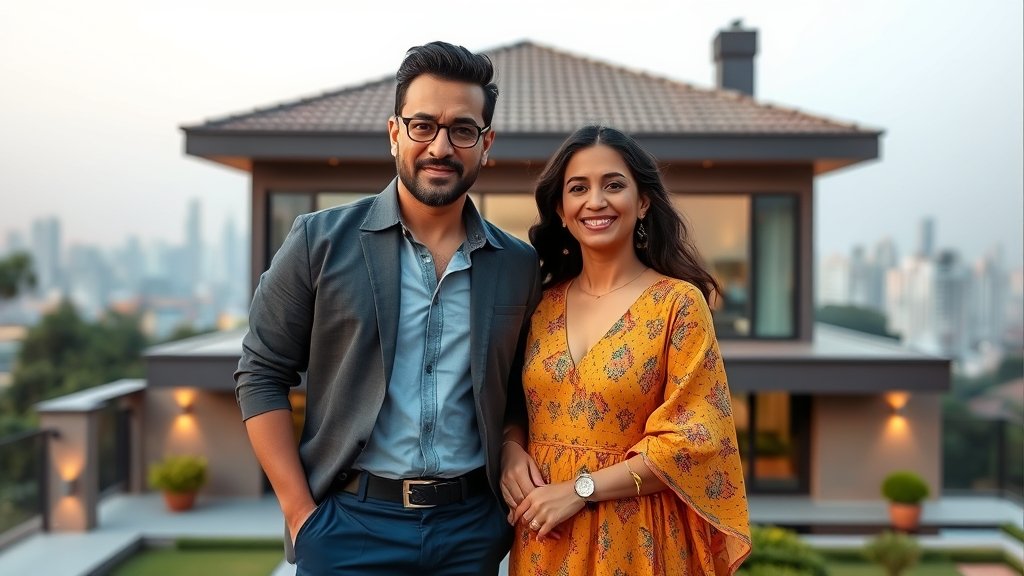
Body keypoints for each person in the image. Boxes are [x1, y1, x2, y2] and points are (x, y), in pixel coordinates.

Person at [235, 41, 541, 575]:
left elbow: (521, 389)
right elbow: (260, 372)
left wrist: (512, 446)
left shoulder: (516, 265)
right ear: (395, 132)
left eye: (462, 130)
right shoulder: (318, 242)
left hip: (470, 532)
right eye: (423, 125)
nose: (440, 147)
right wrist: (299, 514)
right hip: (348, 527)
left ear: (485, 143)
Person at [500, 125, 751, 575]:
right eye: (578, 188)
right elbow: (513, 402)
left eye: (613, 185)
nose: (595, 201)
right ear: (560, 208)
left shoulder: (677, 304)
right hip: (543, 538)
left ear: (642, 202)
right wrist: (510, 447)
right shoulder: (540, 301)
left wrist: (578, 490)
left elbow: (692, 441)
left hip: (636, 538)